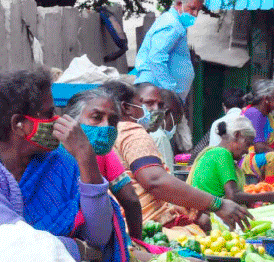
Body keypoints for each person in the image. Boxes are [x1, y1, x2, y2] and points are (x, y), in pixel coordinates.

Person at [0, 68, 130, 262]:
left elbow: (99, 236)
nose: (58, 121)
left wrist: (86, 158)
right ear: (19, 124)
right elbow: (13, 247)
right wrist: (77, 249)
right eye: (49, 114)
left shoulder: (61, 159)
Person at [101, 80, 252, 232]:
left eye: (160, 105)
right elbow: (155, 181)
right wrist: (217, 204)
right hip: (153, 226)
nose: (157, 111)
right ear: (126, 108)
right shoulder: (132, 131)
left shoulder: (109, 136)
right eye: (143, 104)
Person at [64, 88, 144, 240]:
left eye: (113, 121)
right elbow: (131, 200)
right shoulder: (54, 155)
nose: (105, 126)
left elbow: (131, 200)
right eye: (96, 117)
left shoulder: (104, 154)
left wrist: (134, 244)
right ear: (72, 120)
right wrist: (136, 242)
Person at [189, 115, 274, 206]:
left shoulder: (214, 152)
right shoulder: (223, 154)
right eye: (247, 144)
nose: (247, 150)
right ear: (237, 135)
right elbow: (233, 196)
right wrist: (268, 196)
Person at [133, 0, 202, 99]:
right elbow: (156, 57)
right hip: (157, 92)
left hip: (157, 90)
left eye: (198, 10)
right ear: (179, 4)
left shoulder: (173, 22)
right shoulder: (172, 24)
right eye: (192, 8)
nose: (195, 14)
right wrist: (170, 91)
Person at [241, 79, 274, 179]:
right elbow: (259, 147)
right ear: (266, 99)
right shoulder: (254, 113)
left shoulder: (267, 116)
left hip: (261, 156)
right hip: (249, 159)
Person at [137, 83, 175, 172]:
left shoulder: (158, 136)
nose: (156, 108)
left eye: (160, 105)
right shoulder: (158, 137)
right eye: (149, 103)